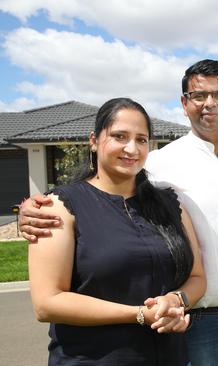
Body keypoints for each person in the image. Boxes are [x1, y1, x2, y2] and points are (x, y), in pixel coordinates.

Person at [21, 60, 218, 366]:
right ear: (184, 103)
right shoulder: (158, 163)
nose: (209, 104)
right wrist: (33, 208)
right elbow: (101, 187)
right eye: (198, 96)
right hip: (194, 322)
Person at [27, 97, 206, 365]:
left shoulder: (170, 203)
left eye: (142, 139)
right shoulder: (59, 206)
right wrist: (138, 314)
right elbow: (47, 302)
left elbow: (197, 277)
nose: (131, 148)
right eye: (119, 136)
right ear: (94, 140)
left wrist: (175, 299)